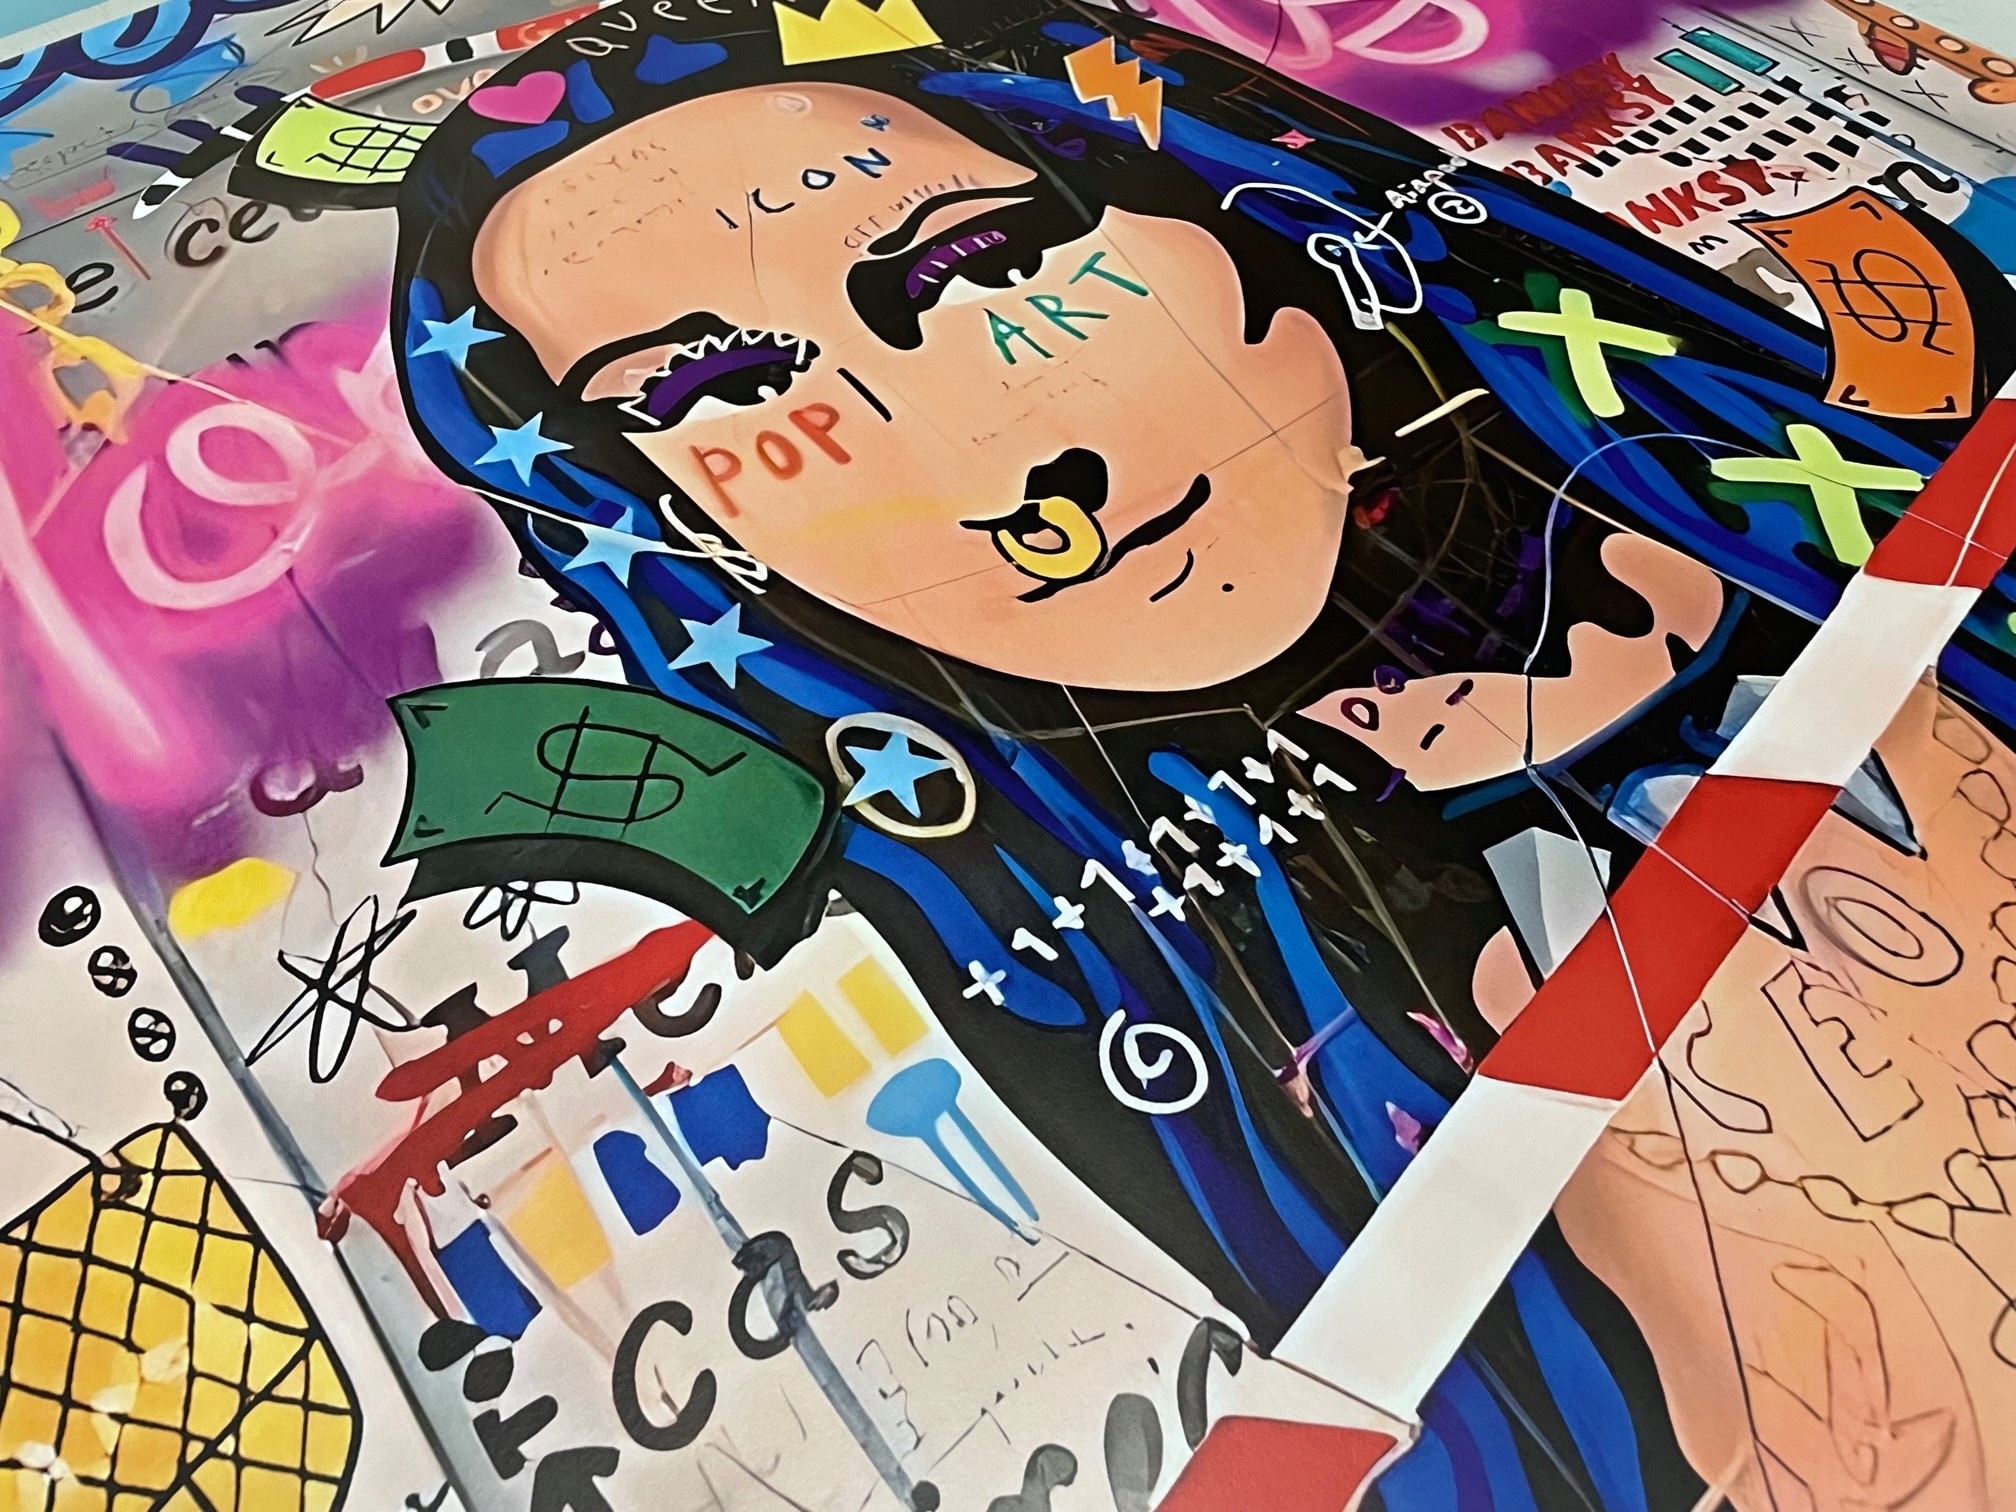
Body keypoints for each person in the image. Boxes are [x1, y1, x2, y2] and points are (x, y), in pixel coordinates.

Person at [385, 2, 2012, 1504]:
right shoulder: (1237, 1012)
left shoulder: (1849, 568)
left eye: (977, 260)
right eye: (711, 392)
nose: (1013, 478)